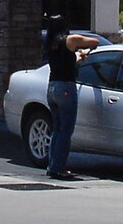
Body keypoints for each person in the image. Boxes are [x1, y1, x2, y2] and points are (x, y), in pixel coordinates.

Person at [42, 16, 103, 181]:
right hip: (66, 88)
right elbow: (95, 42)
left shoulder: (51, 45)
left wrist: (78, 57)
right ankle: (59, 168)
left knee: (57, 129)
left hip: (52, 87)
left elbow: (65, 61)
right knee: (66, 130)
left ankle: (52, 165)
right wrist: (82, 47)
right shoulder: (71, 39)